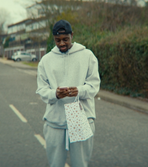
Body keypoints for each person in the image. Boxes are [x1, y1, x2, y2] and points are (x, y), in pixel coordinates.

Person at [36, 20, 101, 167]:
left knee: (80, 164)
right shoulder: (46, 60)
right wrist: (55, 94)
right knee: (56, 164)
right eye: (57, 40)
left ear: (72, 35)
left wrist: (80, 90)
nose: (61, 43)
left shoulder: (87, 55)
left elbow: (94, 84)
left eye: (65, 39)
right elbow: (41, 89)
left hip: (79, 115)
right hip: (55, 117)